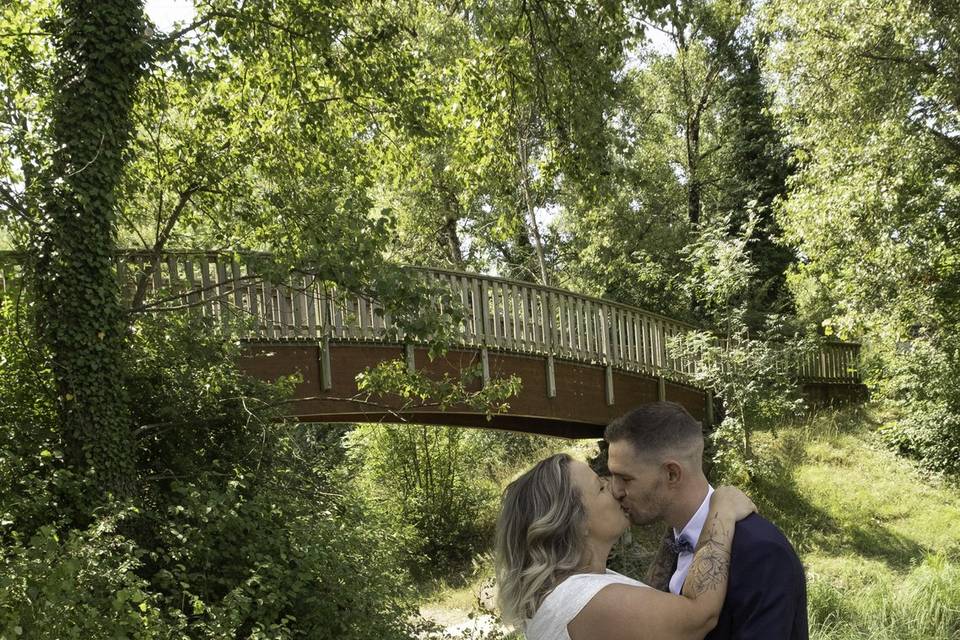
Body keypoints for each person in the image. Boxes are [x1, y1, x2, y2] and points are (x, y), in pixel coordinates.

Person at [494, 452, 756, 640]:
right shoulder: (585, 602)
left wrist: (669, 510)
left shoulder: (576, 587)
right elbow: (700, 616)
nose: (616, 490)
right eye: (600, 487)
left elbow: (652, 595)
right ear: (575, 522)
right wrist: (721, 511)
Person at [605, 401, 808, 640]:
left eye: (625, 479)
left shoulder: (761, 551)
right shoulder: (673, 538)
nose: (615, 490)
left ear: (672, 474)